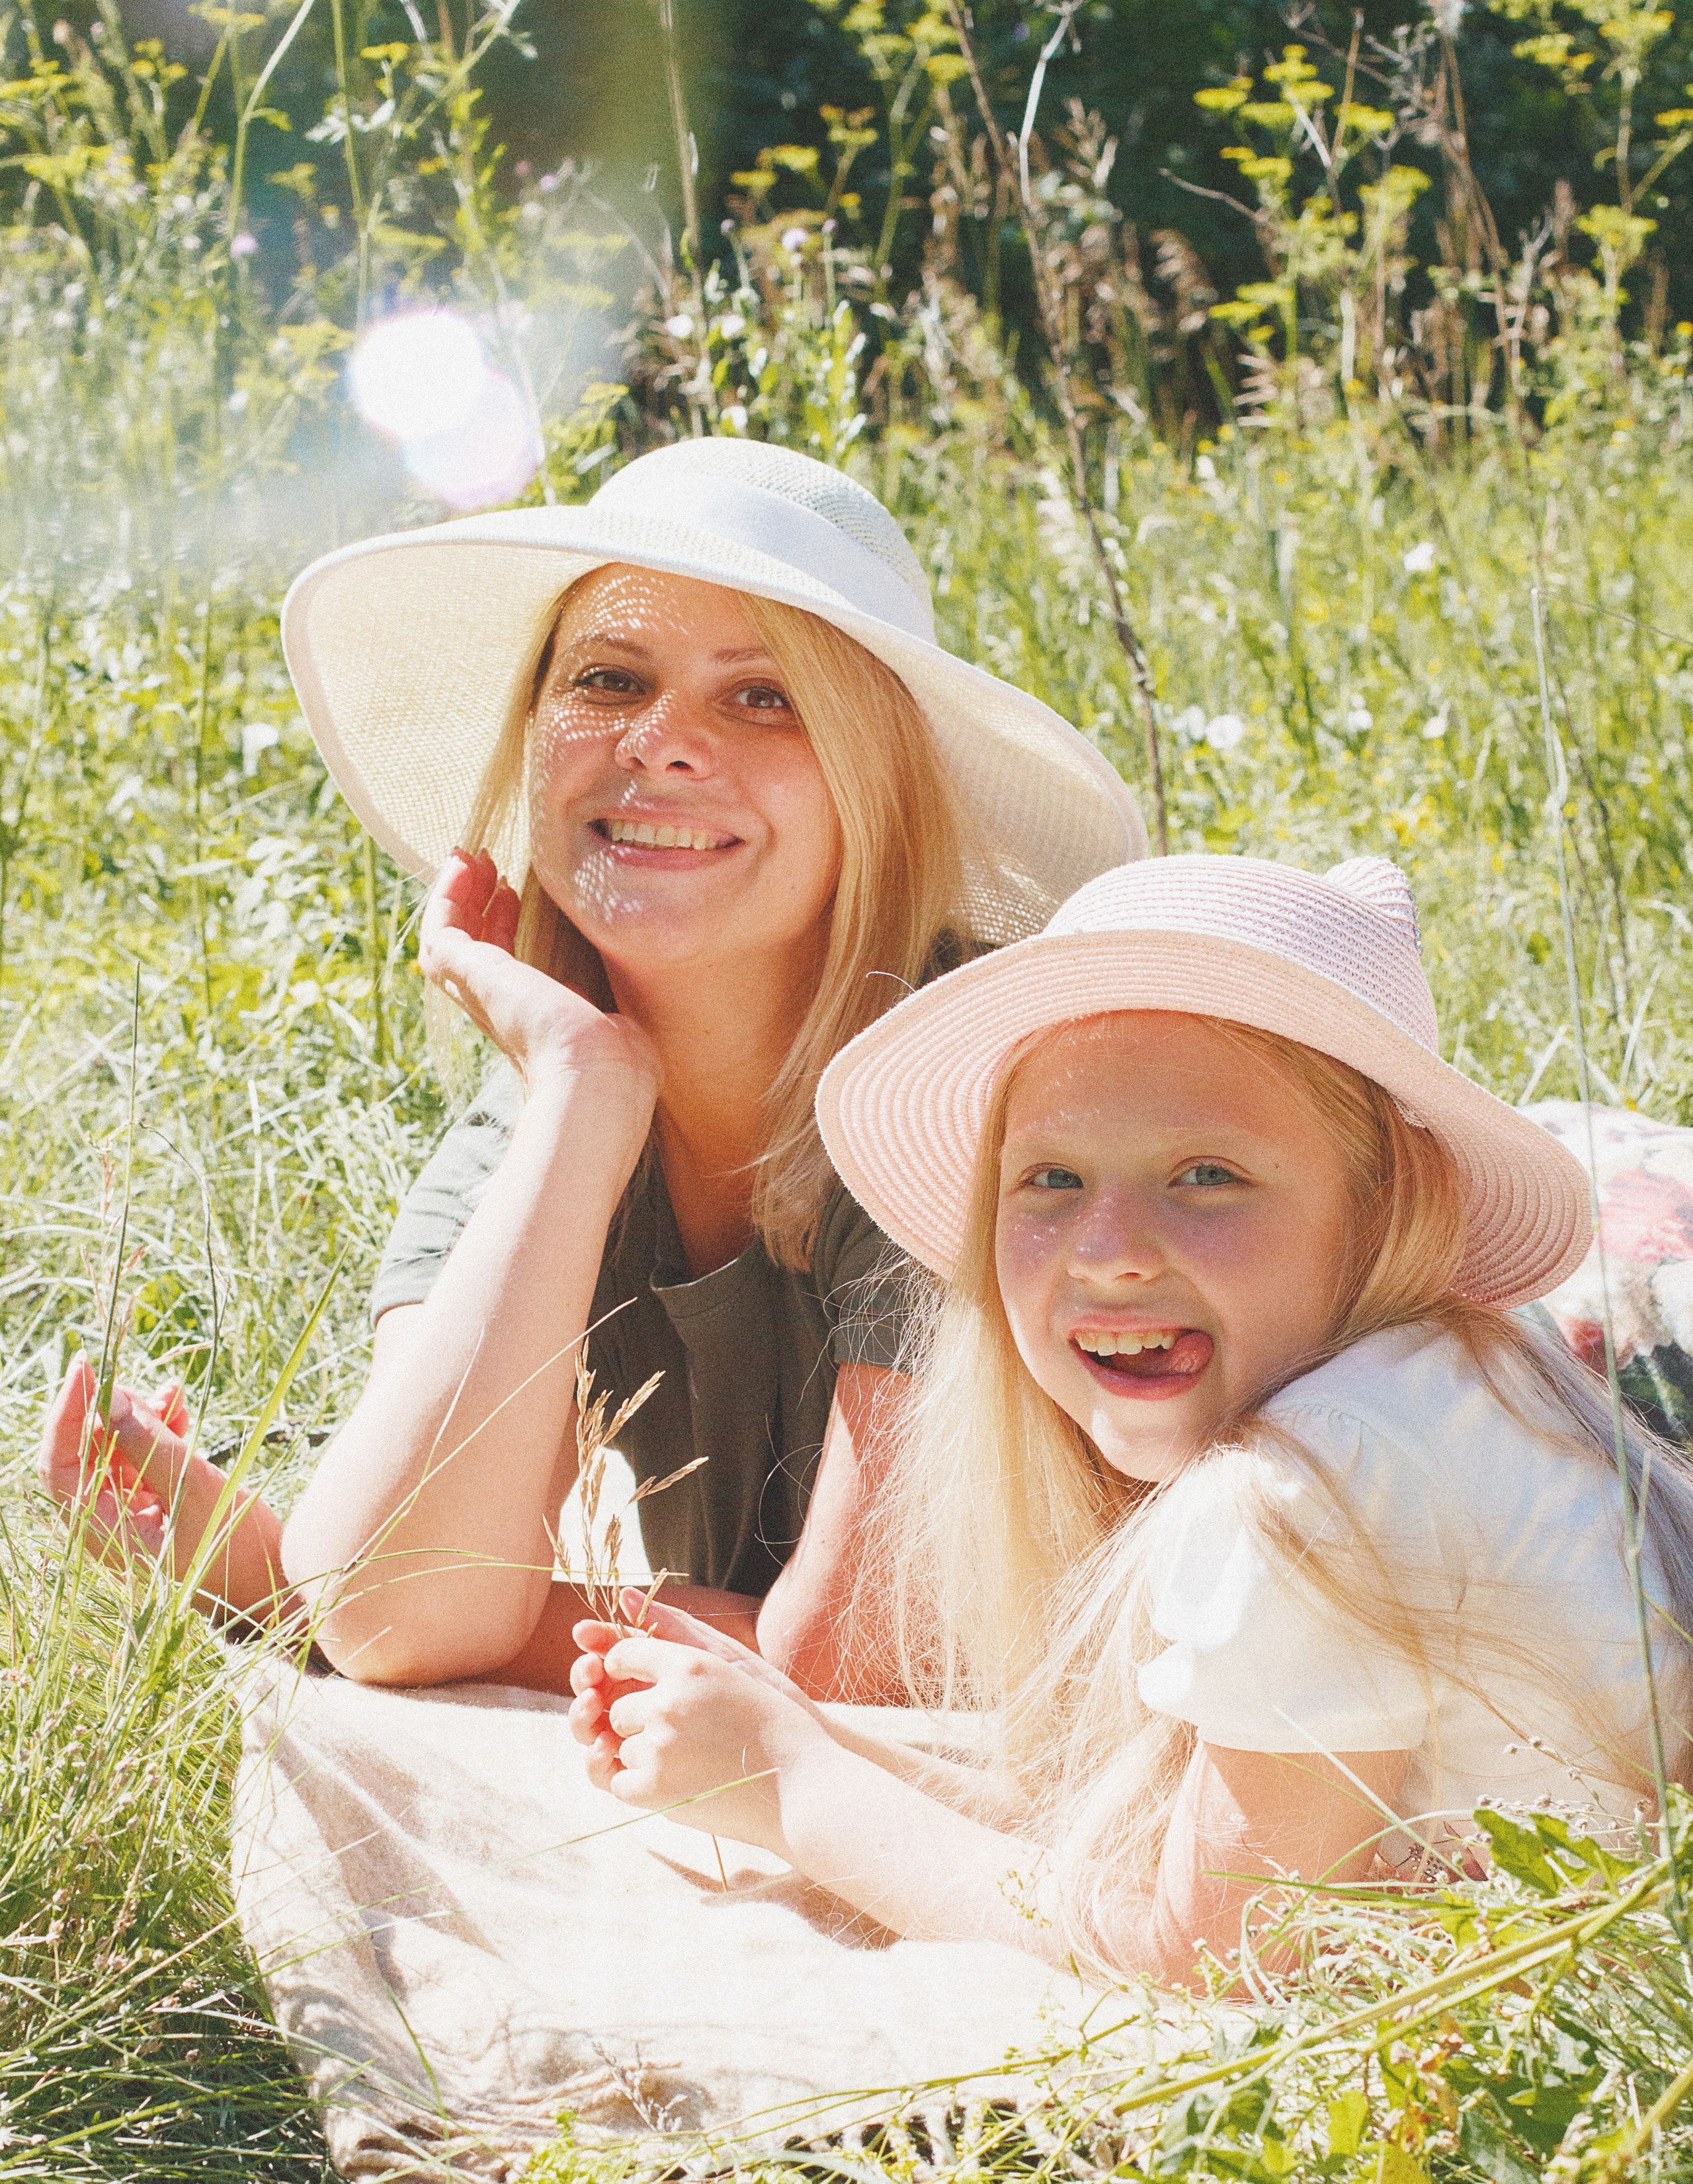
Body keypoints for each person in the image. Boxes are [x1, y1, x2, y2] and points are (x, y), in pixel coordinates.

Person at [39, 438, 1146, 1697]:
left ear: (873, 786)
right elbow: (402, 1609)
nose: (663, 743)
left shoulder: (970, 1092)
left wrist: (277, 1575)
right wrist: (582, 1090)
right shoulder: (551, 1099)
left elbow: (851, 1665)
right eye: (611, 681)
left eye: (764, 695)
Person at [563, 852, 1693, 1984]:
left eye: (1205, 1174)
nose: (1106, 1253)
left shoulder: (1301, 1486)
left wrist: (791, 1789)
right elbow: (1142, 1847)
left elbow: (1202, 1960)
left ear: (1388, 1199)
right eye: (1051, 1179)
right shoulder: (1451, 1383)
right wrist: (819, 1734)